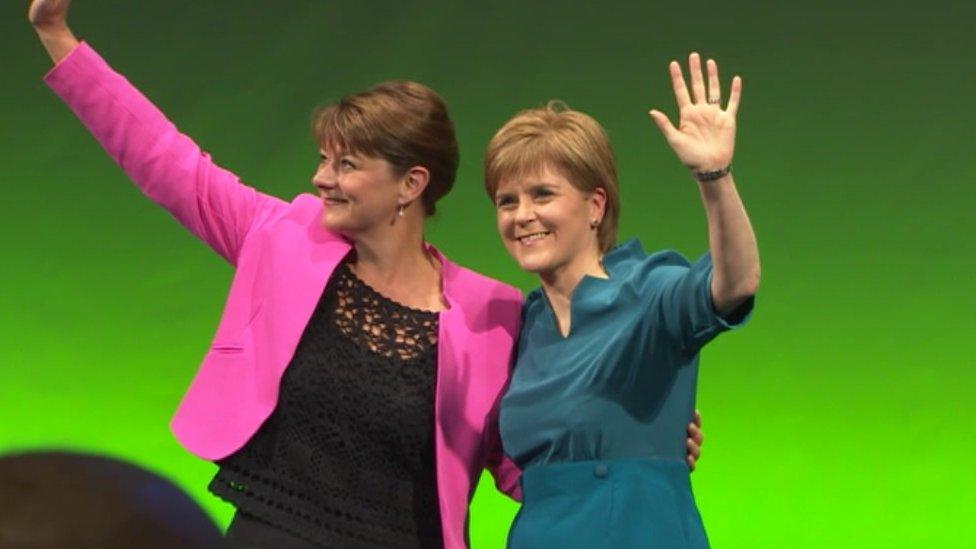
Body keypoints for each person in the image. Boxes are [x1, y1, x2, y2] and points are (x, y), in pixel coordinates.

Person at [26, 1, 704, 546]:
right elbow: (166, 162)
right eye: (324, 159)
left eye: (346, 164)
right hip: (273, 531)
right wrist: (60, 38)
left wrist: (635, 435)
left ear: (410, 184)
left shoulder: (493, 312)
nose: (322, 178)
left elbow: (527, 455)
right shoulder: (283, 237)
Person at [486, 53, 759, 548]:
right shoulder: (523, 324)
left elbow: (734, 284)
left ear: (595, 205)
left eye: (543, 194)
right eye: (508, 201)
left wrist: (715, 177)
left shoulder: (649, 290)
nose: (522, 215)